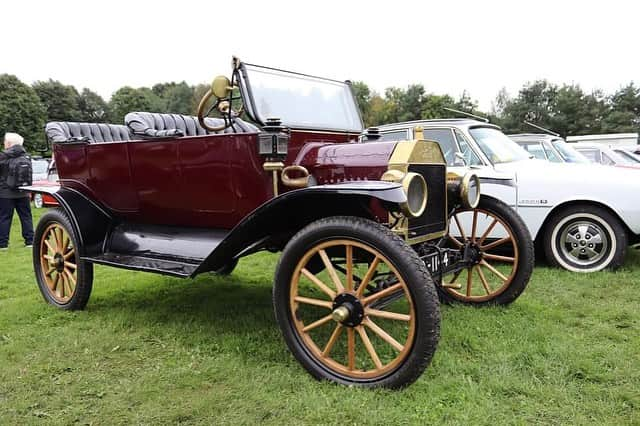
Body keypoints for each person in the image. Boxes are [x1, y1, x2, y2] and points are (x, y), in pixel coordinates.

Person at [0, 132, 34, 250]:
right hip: (23, 191)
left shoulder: (2, 157)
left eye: (5, 141)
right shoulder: (26, 156)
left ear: (9, 143)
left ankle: (3, 244)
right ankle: (30, 241)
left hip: (5, 193)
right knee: (26, 217)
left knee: (4, 217)